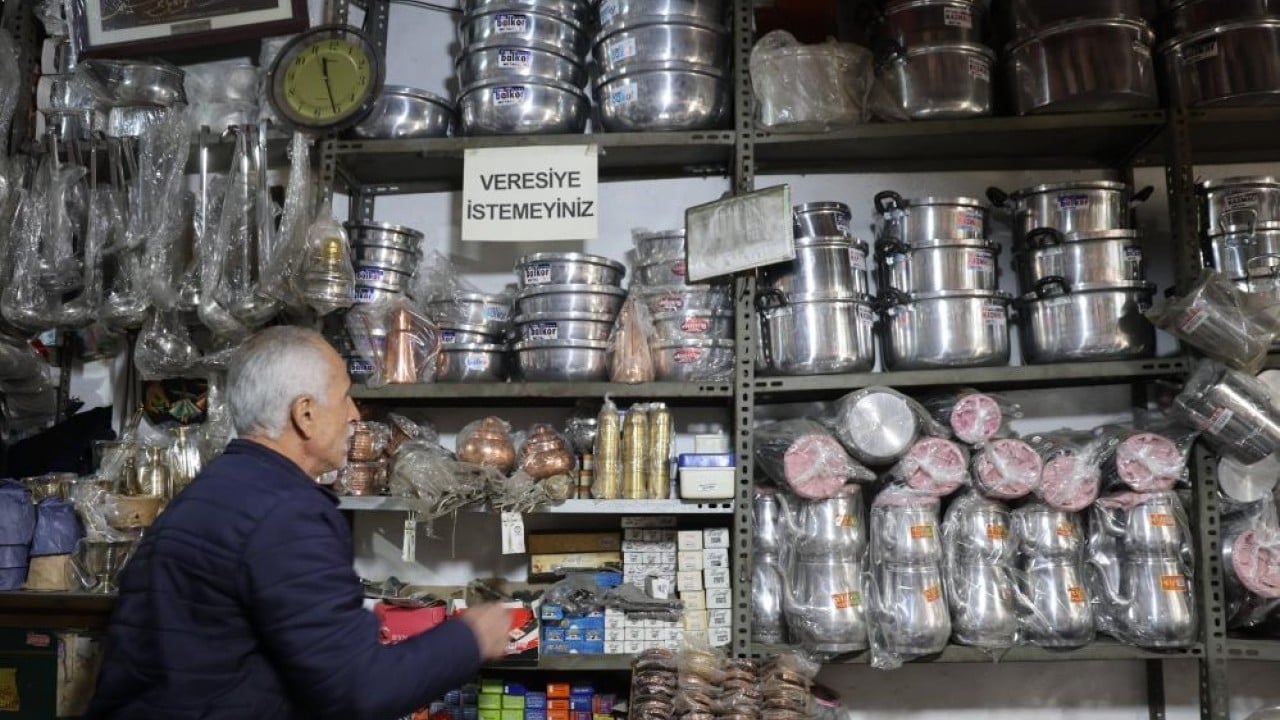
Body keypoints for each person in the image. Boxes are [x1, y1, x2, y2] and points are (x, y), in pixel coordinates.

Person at [86, 326, 511, 720]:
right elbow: (359, 689)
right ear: (304, 414)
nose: (355, 415)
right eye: (345, 397)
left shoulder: (208, 492)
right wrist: (469, 637)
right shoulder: (286, 514)